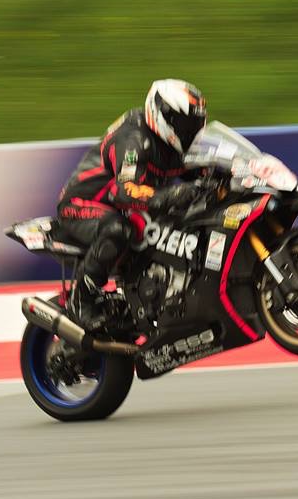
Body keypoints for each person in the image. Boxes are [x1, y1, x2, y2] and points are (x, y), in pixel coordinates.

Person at [56, 79, 208, 331]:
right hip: (82, 204)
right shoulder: (133, 139)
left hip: (122, 208)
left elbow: (201, 168)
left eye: (194, 125)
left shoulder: (172, 142)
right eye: (184, 124)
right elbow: (125, 190)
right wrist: (171, 195)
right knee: (118, 229)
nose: (189, 130)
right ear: (163, 115)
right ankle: (81, 300)